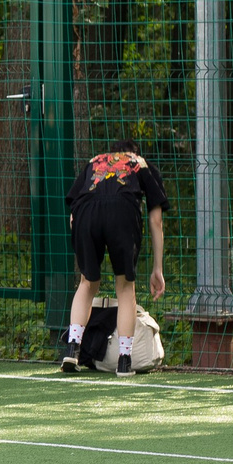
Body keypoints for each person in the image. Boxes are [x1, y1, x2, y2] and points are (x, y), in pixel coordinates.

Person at [62, 147, 170, 376]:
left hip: (85, 212)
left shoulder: (95, 160)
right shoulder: (141, 163)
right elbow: (156, 219)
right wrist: (157, 268)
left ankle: (72, 349)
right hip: (122, 211)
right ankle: (124, 361)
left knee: (87, 283)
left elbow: (73, 213)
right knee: (125, 287)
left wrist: (85, 254)